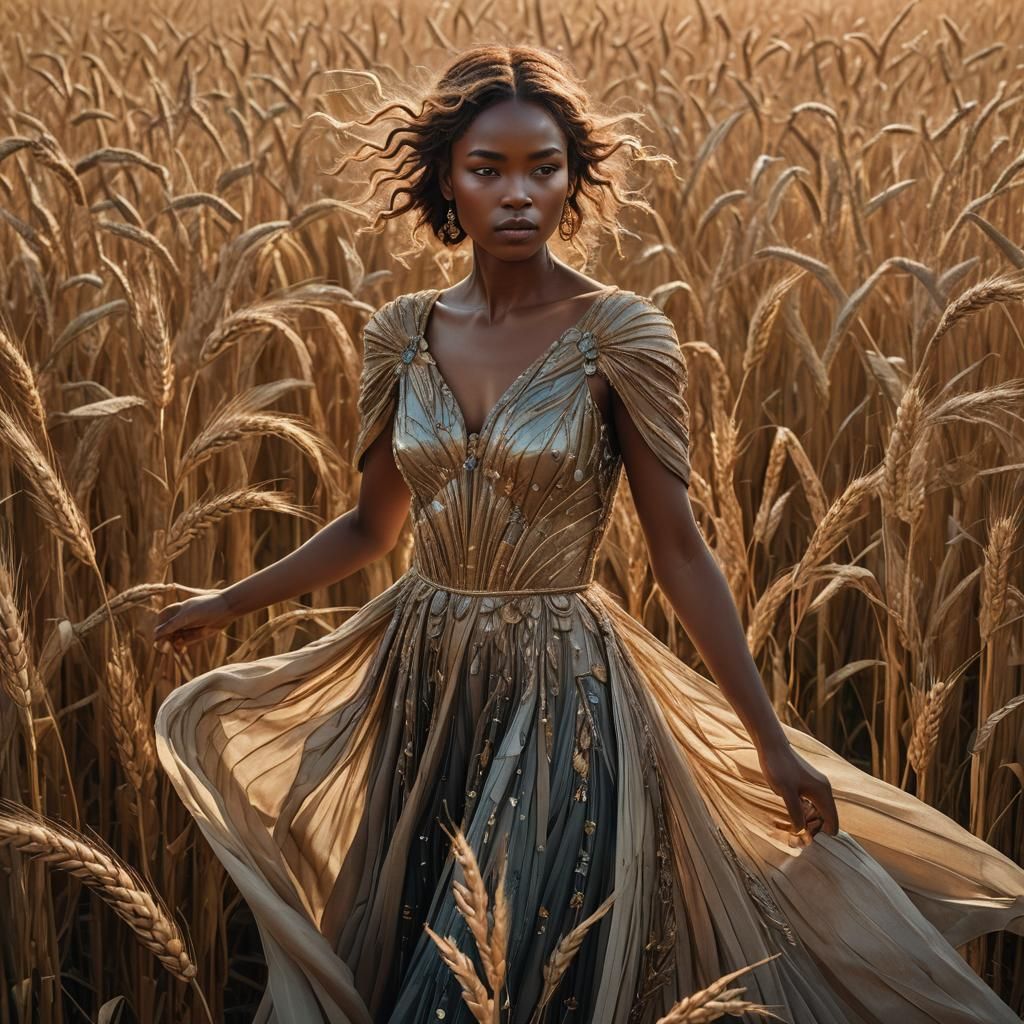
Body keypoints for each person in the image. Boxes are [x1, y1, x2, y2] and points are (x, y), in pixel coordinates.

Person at [153, 43, 1024, 1024]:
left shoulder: (620, 333)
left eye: (544, 167)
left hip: (560, 690)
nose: (519, 194)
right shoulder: (399, 332)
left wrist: (771, 743)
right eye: (489, 170)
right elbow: (368, 524)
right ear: (446, 179)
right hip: (422, 678)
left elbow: (680, 549)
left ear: (573, 179)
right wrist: (228, 601)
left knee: (532, 955)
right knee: (413, 939)